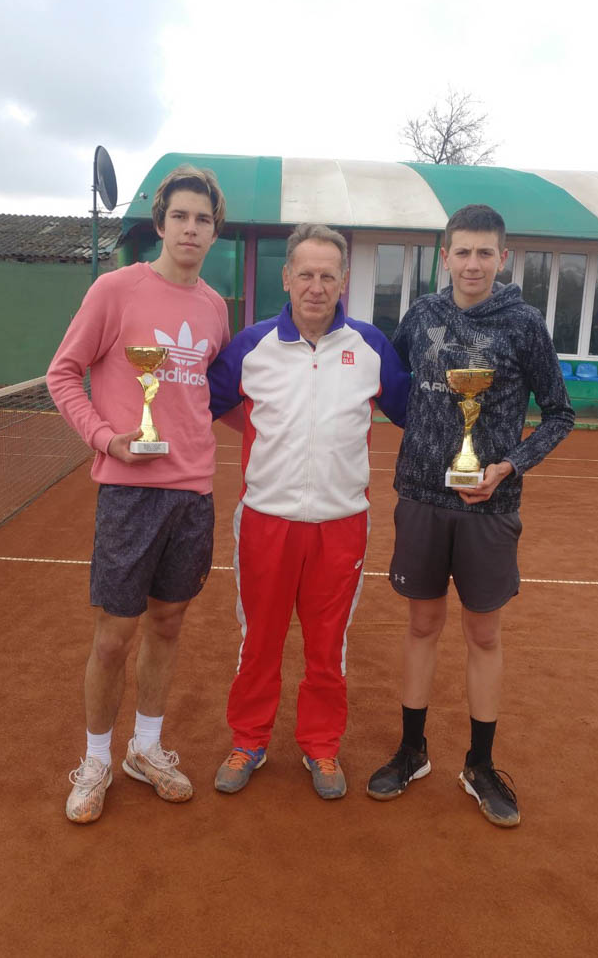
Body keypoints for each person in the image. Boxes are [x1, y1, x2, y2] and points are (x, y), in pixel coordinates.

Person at [367, 204, 574, 826]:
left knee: (483, 634)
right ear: (445, 256)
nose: (473, 264)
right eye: (462, 252)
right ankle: (412, 750)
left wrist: (507, 466)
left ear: (502, 258)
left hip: (492, 507)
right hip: (421, 502)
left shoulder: (524, 322)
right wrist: (425, 437)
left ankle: (480, 764)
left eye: (485, 253)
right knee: (422, 625)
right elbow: (391, 384)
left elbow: (561, 413)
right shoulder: (422, 314)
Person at [47, 165, 229, 823]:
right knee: (113, 636)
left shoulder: (214, 307)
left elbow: (213, 395)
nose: (190, 228)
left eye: (202, 219)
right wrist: (104, 436)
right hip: (128, 491)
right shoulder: (114, 289)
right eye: (179, 216)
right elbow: (63, 372)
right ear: (160, 223)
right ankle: (96, 758)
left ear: (214, 230)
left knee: (168, 623)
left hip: (191, 493)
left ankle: (144, 749)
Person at [207, 224, 410, 800]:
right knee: (260, 642)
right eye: (306, 274)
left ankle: (321, 748)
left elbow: (410, 412)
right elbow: (203, 405)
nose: (316, 287)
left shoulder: (371, 346)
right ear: (286, 278)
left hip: (342, 522)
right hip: (266, 520)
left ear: (344, 280)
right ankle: (248, 740)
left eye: (328, 275)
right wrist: (264, 435)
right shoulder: (251, 346)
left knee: (328, 647)